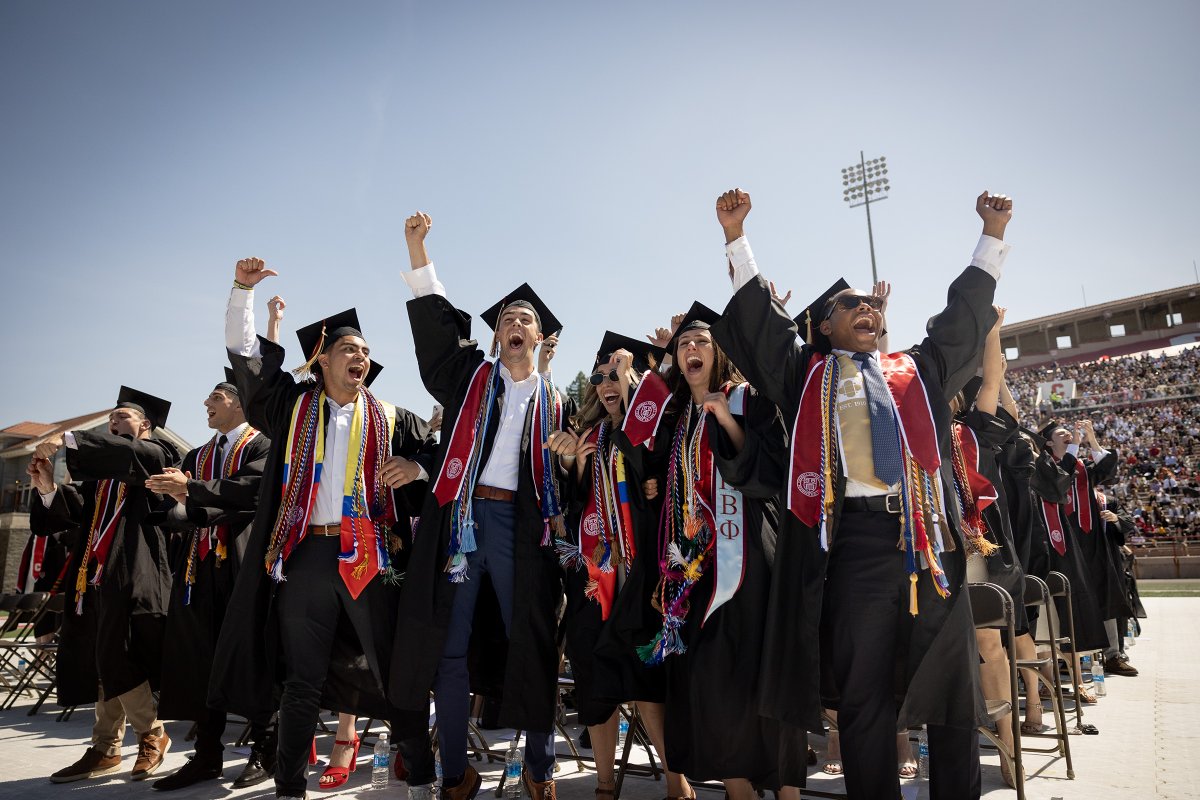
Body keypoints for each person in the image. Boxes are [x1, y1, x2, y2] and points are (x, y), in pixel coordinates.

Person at [711, 187, 1013, 800]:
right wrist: (736, 237)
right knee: (864, 691)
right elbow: (763, 330)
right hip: (853, 542)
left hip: (926, 535)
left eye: (873, 305)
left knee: (952, 682)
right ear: (825, 326)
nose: (868, 309)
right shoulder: (805, 374)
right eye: (852, 306)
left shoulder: (916, 371)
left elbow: (960, 326)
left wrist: (993, 233)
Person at [209, 257, 436, 800]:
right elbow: (247, 363)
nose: (361, 357)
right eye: (349, 350)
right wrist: (241, 293)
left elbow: (438, 449)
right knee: (302, 680)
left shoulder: (390, 415)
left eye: (364, 351)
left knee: (394, 668)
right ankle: (289, 784)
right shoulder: (291, 408)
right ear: (322, 361)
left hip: (370, 555)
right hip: (306, 554)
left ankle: (422, 777)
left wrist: (417, 467)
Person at [392, 212, 572, 800]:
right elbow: (437, 332)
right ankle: (453, 773)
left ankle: (540, 770)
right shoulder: (471, 376)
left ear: (542, 338)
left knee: (535, 636)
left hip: (521, 528)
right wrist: (420, 253)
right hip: (463, 522)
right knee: (449, 644)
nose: (514, 323)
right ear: (496, 336)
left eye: (526, 319)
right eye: (506, 320)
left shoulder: (558, 402)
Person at [629, 304, 806, 800]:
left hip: (751, 556)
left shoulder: (750, 399)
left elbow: (768, 473)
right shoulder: (677, 417)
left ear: (721, 354)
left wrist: (728, 423)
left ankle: (787, 790)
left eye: (702, 342)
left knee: (765, 676)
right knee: (713, 682)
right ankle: (738, 789)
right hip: (698, 568)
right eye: (684, 344)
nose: (691, 349)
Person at [557, 332, 692, 800]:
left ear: (633, 379)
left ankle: (678, 783)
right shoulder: (587, 436)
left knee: (645, 678)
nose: (605, 383)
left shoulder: (652, 426)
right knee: (594, 678)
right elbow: (572, 509)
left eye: (614, 374)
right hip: (594, 577)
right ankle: (604, 784)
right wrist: (575, 464)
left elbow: (661, 476)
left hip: (641, 574)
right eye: (598, 377)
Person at [29, 387, 180, 783]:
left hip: (137, 570)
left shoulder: (158, 456)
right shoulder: (101, 479)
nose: (114, 423)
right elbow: (74, 514)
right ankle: (105, 747)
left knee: (118, 652)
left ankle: (150, 733)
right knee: (103, 656)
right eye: (111, 419)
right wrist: (48, 488)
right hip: (94, 575)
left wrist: (68, 438)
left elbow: (135, 456)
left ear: (146, 425)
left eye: (123, 418)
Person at [144, 371, 274, 791]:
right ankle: (207, 756)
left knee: (251, 656)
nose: (206, 403)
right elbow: (182, 506)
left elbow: (252, 492)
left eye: (215, 396)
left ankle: (266, 751)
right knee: (202, 657)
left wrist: (193, 492)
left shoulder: (263, 443)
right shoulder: (197, 455)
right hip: (197, 569)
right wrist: (177, 501)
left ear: (239, 403)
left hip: (245, 562)